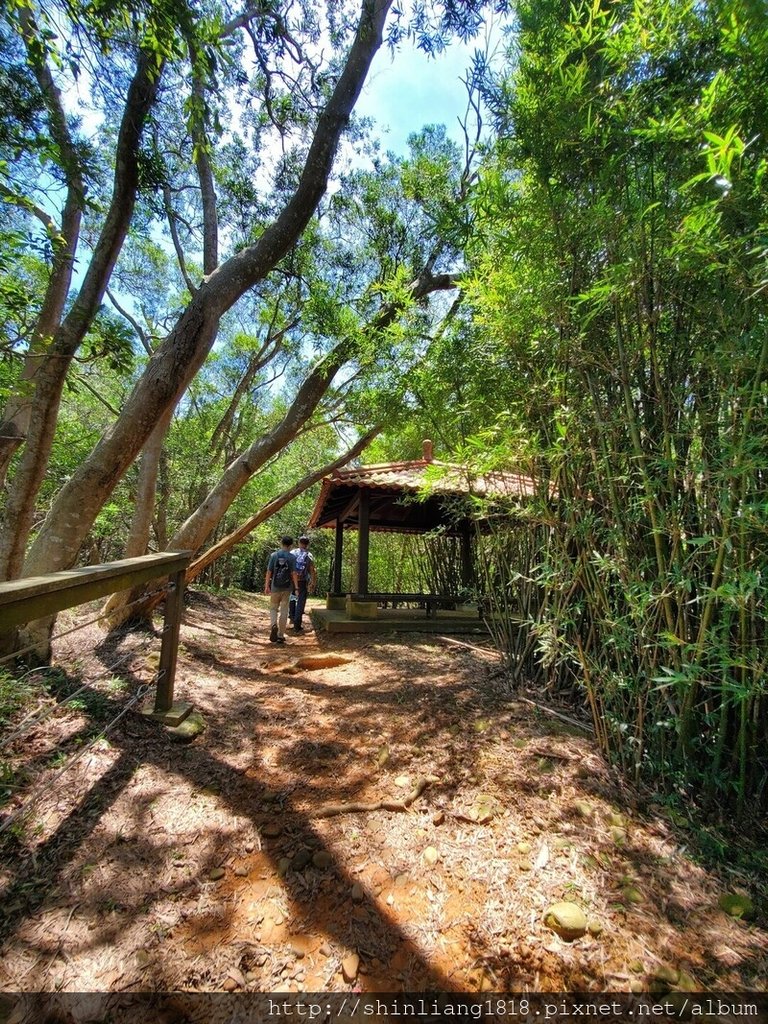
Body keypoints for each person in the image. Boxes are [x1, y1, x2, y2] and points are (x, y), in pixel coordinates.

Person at [264, 536, 299, 643]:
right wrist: (296, 588)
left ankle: (274, 624)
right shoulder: (292, 557)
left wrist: (266, 586)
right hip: (287, 588)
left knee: (273, 608)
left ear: (281, 543)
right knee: (284, 611)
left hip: (275, 587)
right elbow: (294, 573)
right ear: (291, 545)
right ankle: (280, 635)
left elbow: (269, 572)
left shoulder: (274, 555)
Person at [290, 535, 317, 631]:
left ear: (299, 543)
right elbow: (313, 570)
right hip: (302, 582)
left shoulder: (292, 553)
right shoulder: (309, 555)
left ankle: (292, 618)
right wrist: (313, 583)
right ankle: (297, 625)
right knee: (301, 601)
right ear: (307, 544)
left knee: (292, 598)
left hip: (292, 581)